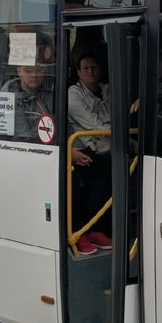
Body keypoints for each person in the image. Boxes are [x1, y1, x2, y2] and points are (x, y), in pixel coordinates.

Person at [67, 53, 122, 254]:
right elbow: (96, 125)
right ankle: (86, 230)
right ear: (79, 73)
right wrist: (117, 124)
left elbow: (119, 114)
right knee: (104, 169)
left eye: (94, 68)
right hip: (85, 146)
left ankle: (98, 230)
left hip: (110, 145)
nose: (90, 71)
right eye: (86, 68)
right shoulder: (73, 94)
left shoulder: (107, 90)